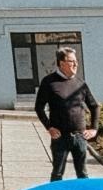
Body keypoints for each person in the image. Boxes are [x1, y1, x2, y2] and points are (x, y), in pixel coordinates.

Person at [34, 47, 99, 181]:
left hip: (80, 137)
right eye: (72, 61)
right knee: (57, 173)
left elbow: (94, 106)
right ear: (61, 63)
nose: (76, 64)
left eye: (76, 61)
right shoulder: (49, 82)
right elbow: (39, 107)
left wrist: (94, 128)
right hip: (60, 138)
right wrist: (49, 127)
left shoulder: (80, 83)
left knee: (83, 174)